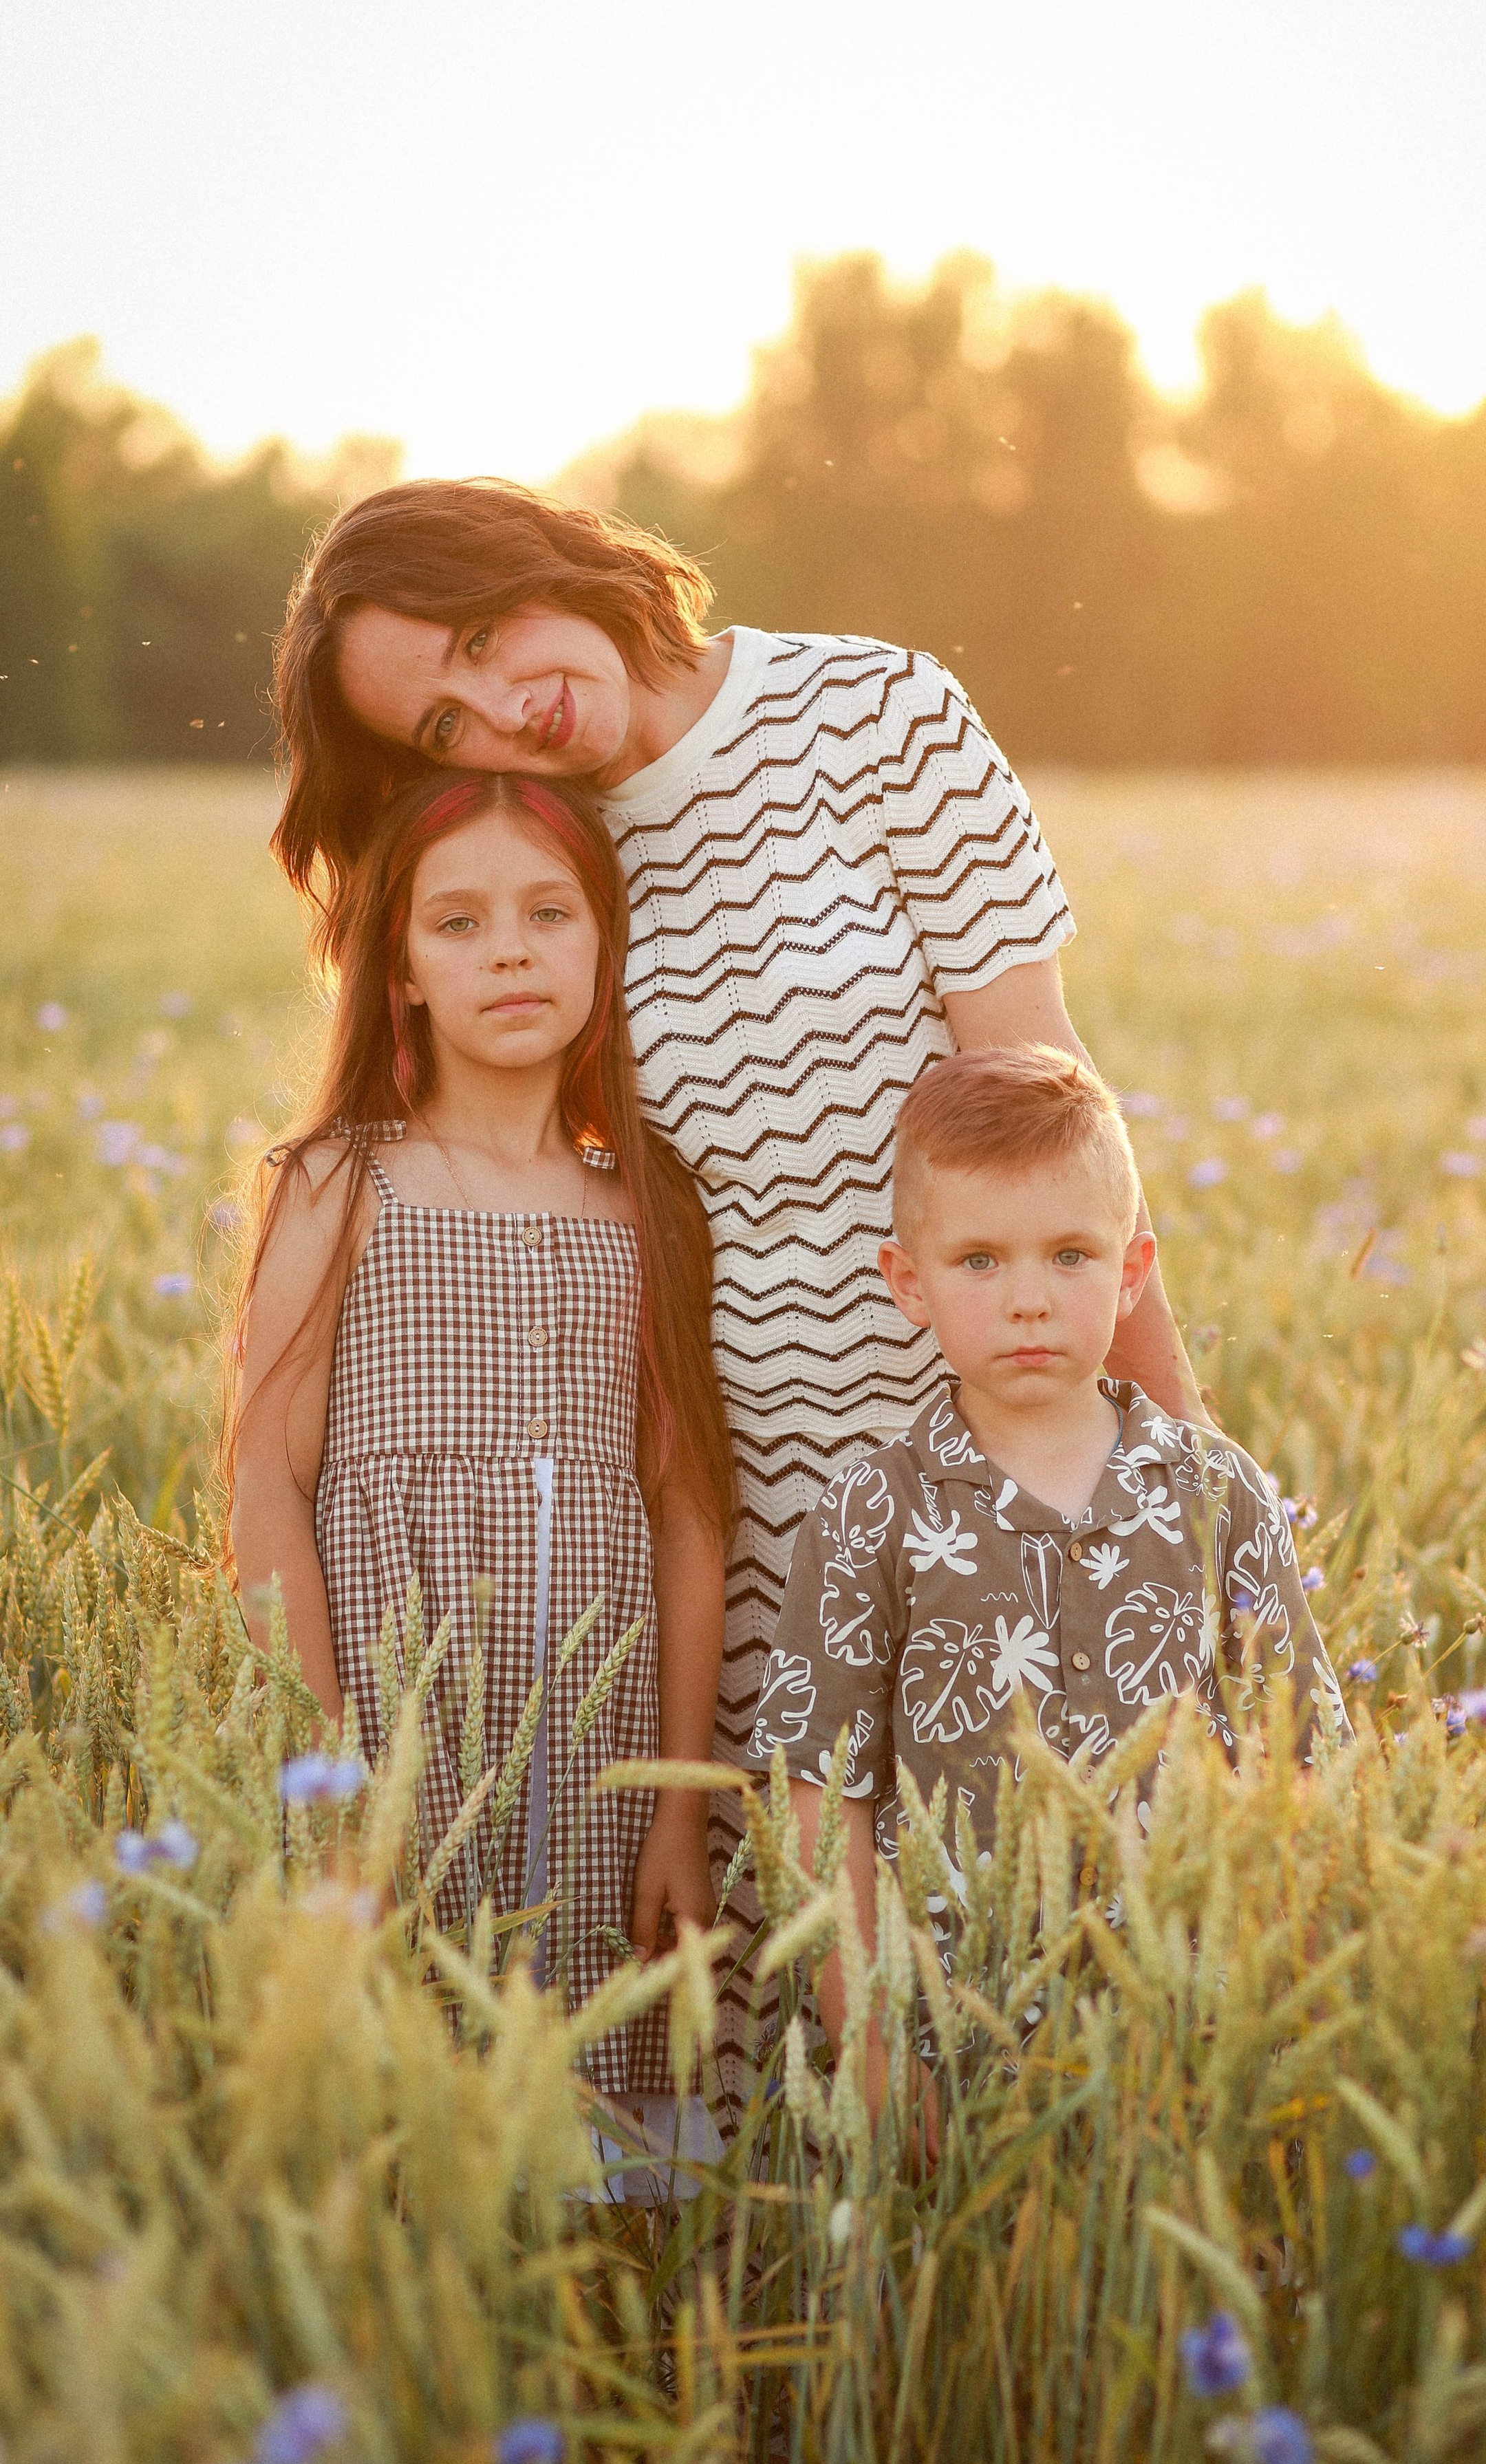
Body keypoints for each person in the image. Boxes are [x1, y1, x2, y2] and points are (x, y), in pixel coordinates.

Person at [269, 477, 1209, 2082]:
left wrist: (1172, 1464)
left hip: (978, 1448)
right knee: (786, 2029)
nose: (503, 705)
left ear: (549, 561)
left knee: (1036, 1953)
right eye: (443, 719)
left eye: (488, 636)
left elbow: (1053, 1115)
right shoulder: (542, 849)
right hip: (729, 1512)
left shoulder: (875, 713)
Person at [228, 769, 735, 2116]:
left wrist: (681, 1809)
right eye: (457, 922)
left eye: (548, 912)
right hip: (400, 1729)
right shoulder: (338, 1179)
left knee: (601, 2126)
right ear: (396, 968)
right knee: (411, 2110)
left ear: (601, 942)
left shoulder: (646, 1206)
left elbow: (687, 1514)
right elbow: (267, 1484)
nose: (509, 946)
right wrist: (339, 1793)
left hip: (603, 1732)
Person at [750, 1046, 1340, 2123]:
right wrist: (874, 2051)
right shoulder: (869, 1510)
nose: (1028, 1299)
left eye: (1071, 1255)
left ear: (1132, 1270)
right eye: (980, 1260)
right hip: (956, 2052)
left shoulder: (1222, 1493)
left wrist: (1287, 2013)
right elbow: (818, 1796)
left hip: (1190, 2036)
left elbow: (1295, 1768)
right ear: (908, 1281)